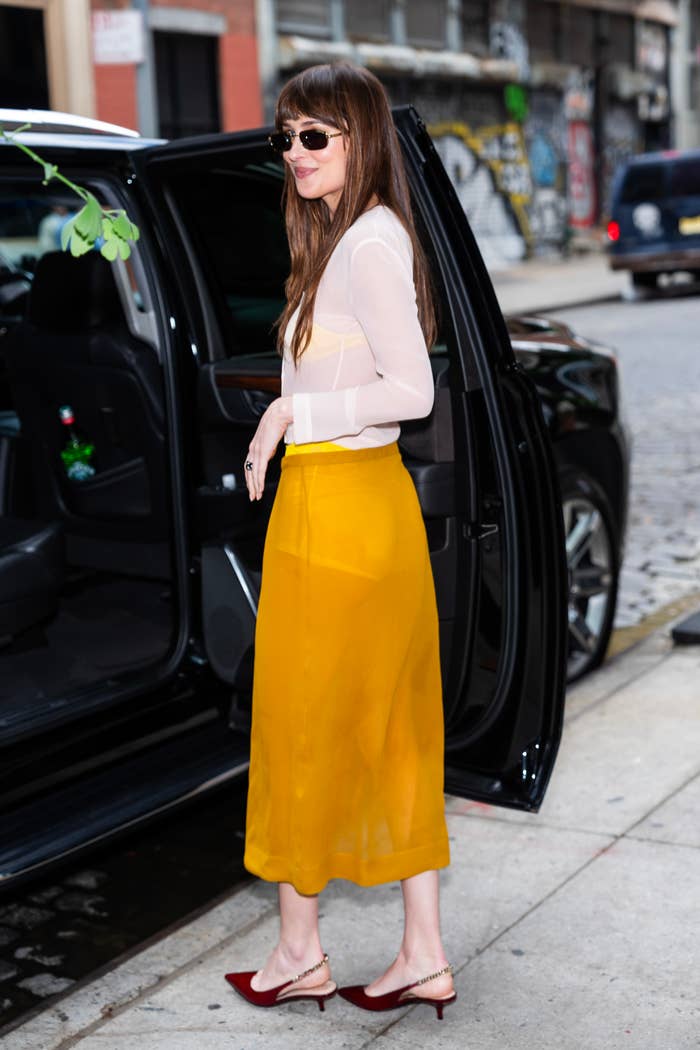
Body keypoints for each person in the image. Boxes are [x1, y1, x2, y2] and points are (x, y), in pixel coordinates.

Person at [224, 61, 456, 1021]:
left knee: (302, 727)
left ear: (360, 140)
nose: (295, 153)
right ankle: (422, 955)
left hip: (339, 517)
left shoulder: (365, 245)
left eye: (315, 135)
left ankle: (298, 951)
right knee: (388, 731)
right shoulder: (345, 244)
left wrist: (290, 413)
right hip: (352, 514)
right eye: (286, 136)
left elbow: (415, 393)